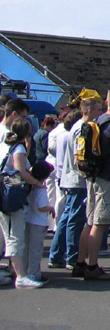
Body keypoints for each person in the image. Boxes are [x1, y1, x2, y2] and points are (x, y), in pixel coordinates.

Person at [75, 89, 110, 281]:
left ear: (106, 102)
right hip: (107, 177)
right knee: (99, 224)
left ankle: (80, 262)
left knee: (89, 221)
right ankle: (92, 266)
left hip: (92, 175)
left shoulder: (96, 121)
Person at [0, 118, 47, 288]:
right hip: (12, 196)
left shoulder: (4, 145)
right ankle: (20, 276)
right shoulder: (17, 148)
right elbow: (20, 172)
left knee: (4, 236)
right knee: (15, 236)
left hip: (4, 192)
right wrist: (36, 183)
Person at [48, 108, 87, 270]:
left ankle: (56, 254)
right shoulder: (76, 133)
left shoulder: (62, 134)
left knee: (66, 217)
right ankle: (72, 256)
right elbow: (78, 158)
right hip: (75, 179)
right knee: (74, 219)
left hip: (65, 177)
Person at [23, 161, 55, 286]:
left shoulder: (30, 186)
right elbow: (41, 207)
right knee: (36, 250)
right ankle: (34, 274)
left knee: (26, 248)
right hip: (39, 222)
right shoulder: (41, 190)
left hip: (28, 219)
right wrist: (50, 208)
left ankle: (24, 270)